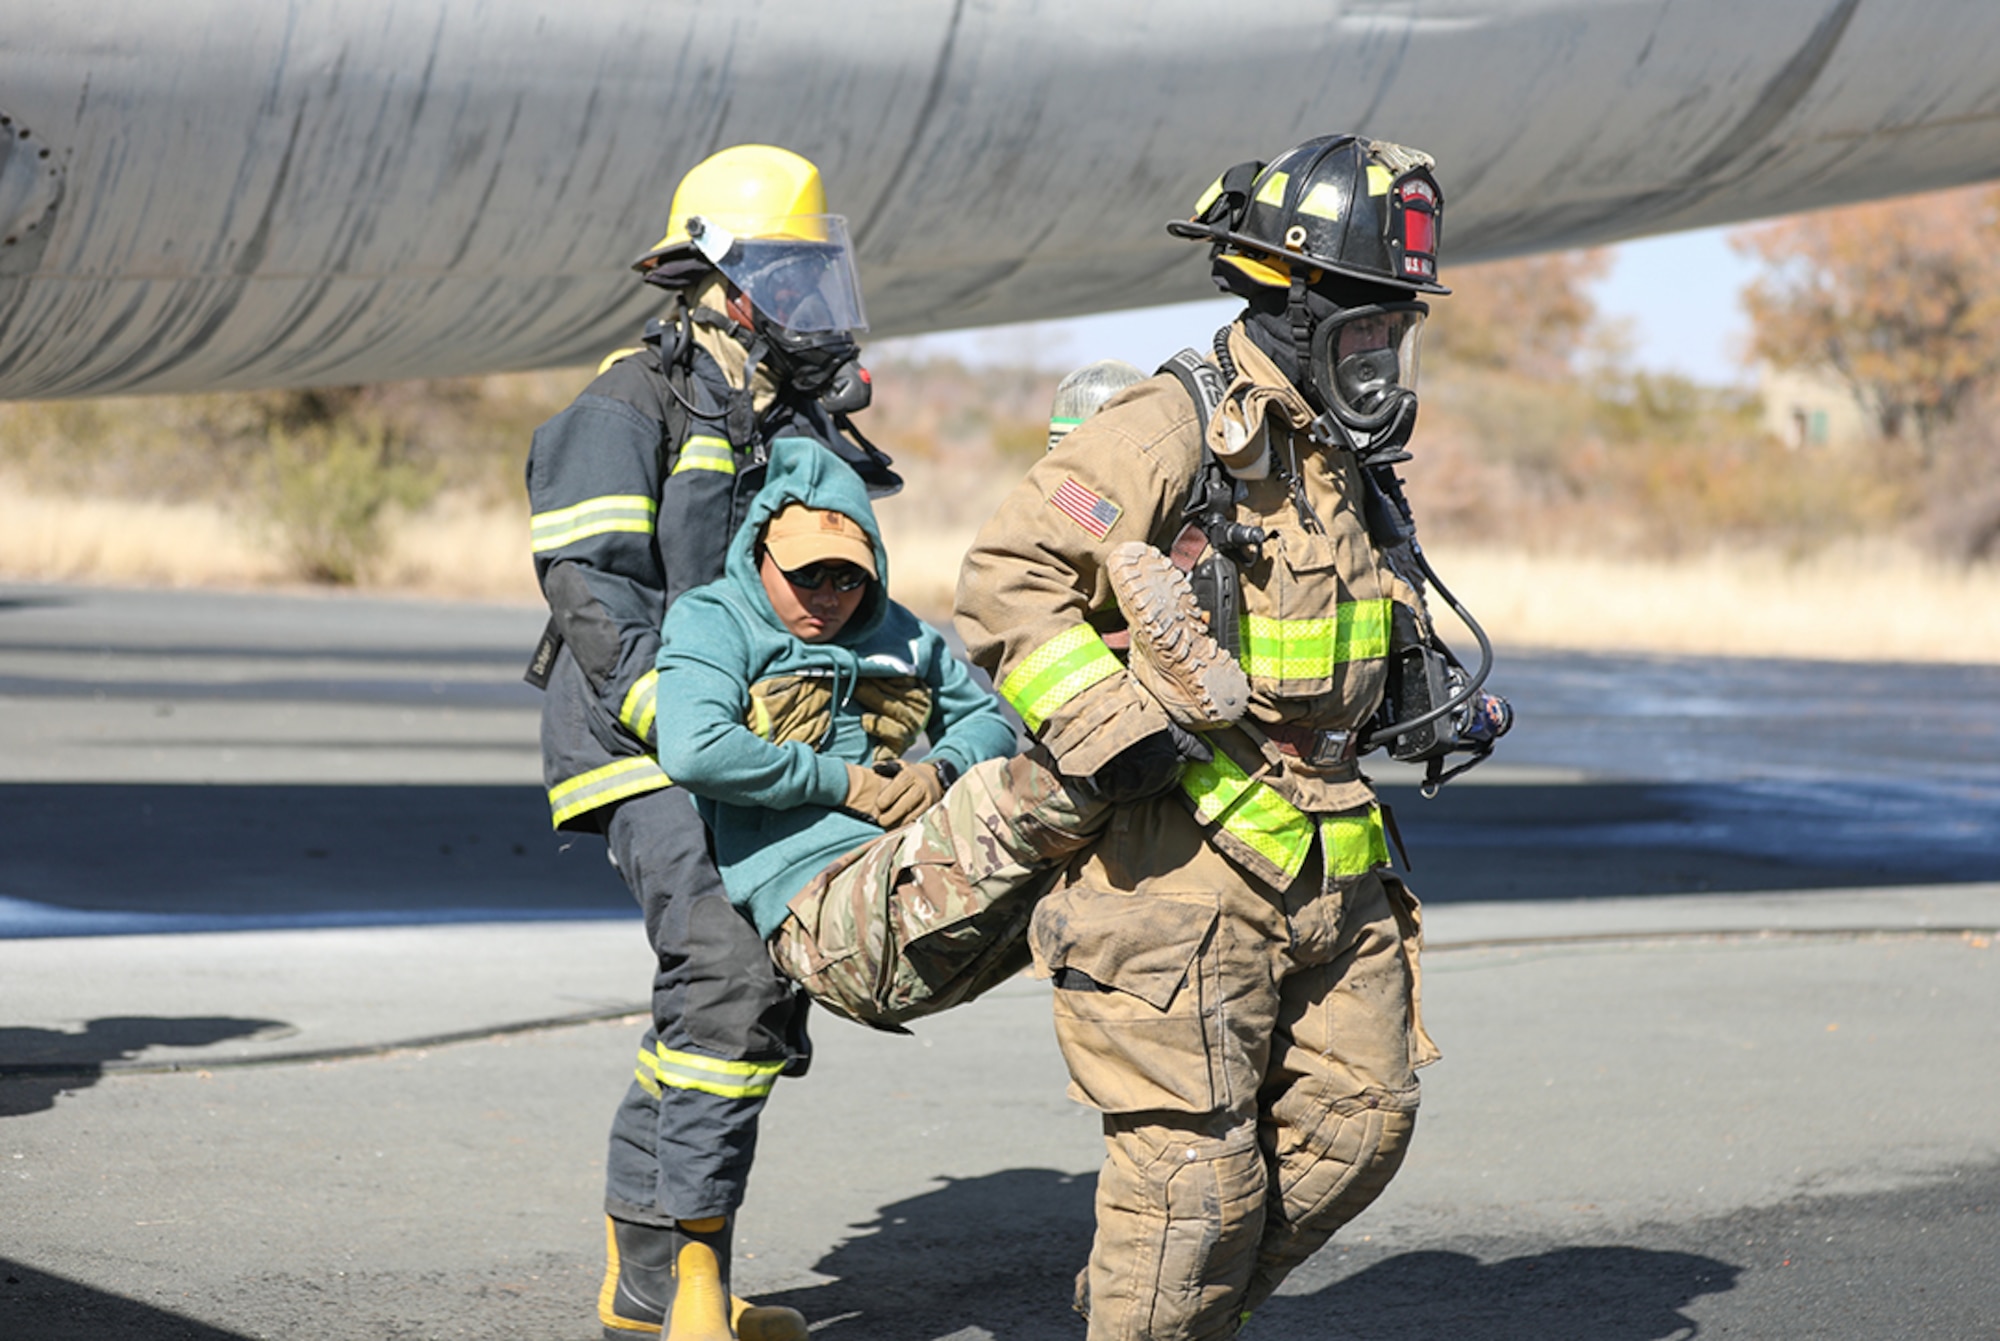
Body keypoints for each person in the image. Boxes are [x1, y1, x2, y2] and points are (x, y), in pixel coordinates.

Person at [954, 134, 1460, 1339]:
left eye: (1393, 329)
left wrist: (1418, 695)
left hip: (1326, 855)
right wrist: (1108, 718)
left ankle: (1162, 1315)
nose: (1380, 354)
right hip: (1172, 870)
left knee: (1357, 1128)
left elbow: (1339, 622)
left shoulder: (1342, 457)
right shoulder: (1160, 430)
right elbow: (1004, 578)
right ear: (1285, 306)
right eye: (1359, 328)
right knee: (1194, 1193)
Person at [523, 143, 898, 1341]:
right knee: (727, 981)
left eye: (816, 281)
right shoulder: (627, 401)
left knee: (754, 994)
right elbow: (590, 593)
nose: (811, 311)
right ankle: (686, 1278)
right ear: (726, 286)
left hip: (754, 741)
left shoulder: (789, 422)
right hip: (644, 741)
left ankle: (651, 1284)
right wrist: (677, 728)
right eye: (789, 284)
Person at [656, 434, 1241, 1038]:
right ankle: (1151, 701)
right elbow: (694, 747)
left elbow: (985, 718)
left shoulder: (901, 635)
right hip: (829, 915)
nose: (828, 597)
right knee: (1029, 788)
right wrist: (844, 784)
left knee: (1117, 825)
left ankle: (1165, 708)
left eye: (847, 577)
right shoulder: (715, 620)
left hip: (935, 915)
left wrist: (936, 772)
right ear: (760, 554)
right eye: (807, 574)